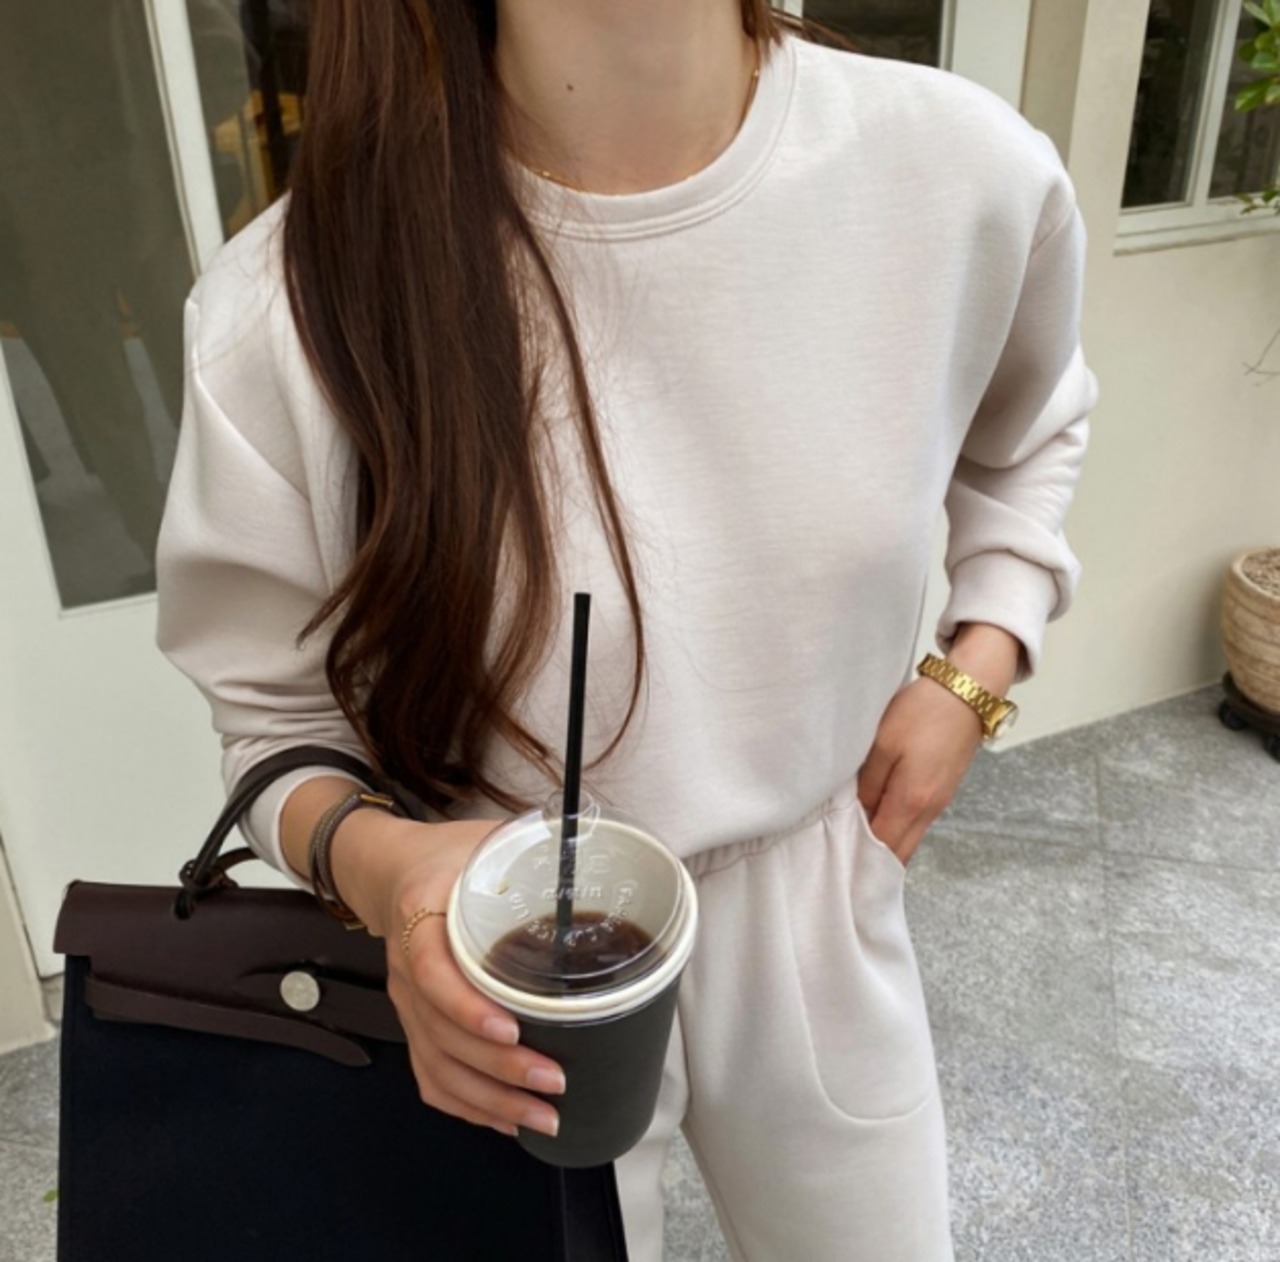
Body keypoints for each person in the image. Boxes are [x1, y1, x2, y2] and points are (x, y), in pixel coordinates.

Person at [156, 2, 1097, 1259]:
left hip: (815, 902)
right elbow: (275, 720)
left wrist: (976, 662)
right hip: (497, 955)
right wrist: (391, 876)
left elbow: (1030, 430)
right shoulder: (290, 303)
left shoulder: (957, 173)